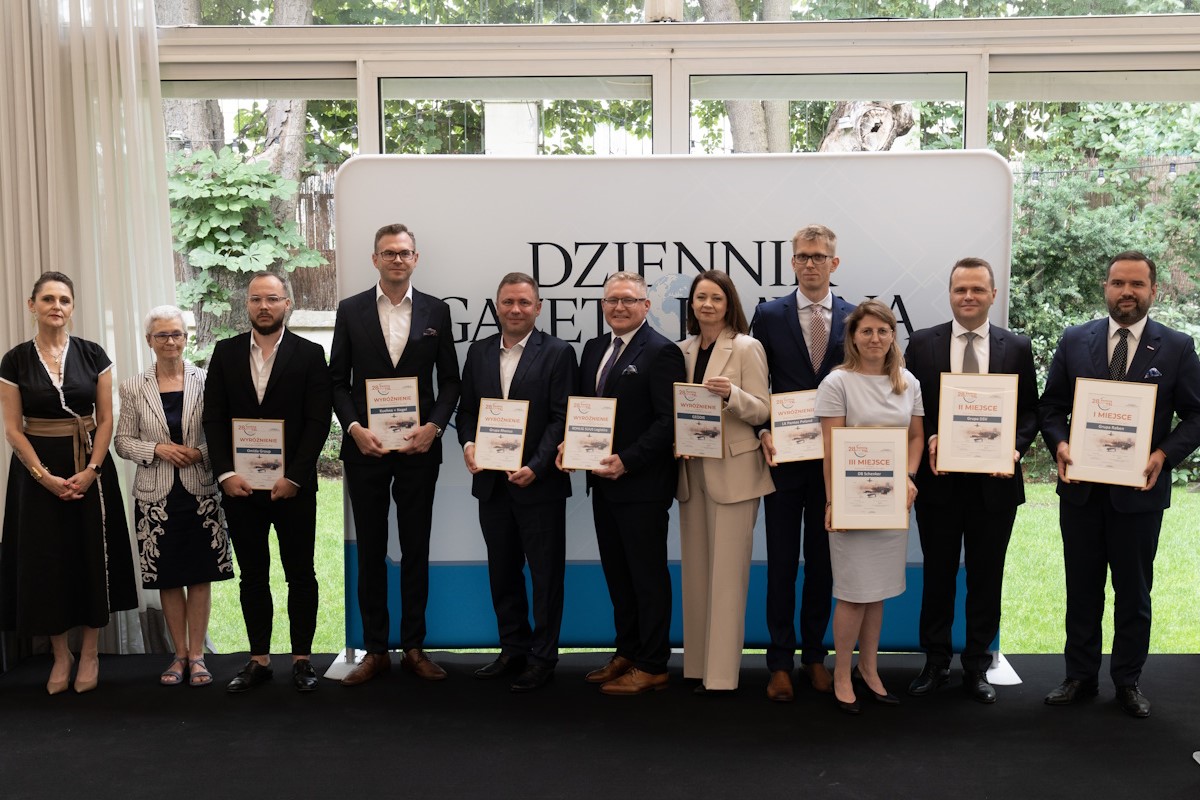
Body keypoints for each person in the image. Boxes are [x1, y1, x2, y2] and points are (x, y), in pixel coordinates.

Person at [1039, 250, 1200, 719]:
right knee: (1081, 588)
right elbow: (1051, 407)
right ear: (1105, 288)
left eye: (1136, 284)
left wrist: (1162, 455)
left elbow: (1196, 414)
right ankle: (1079, 676)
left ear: (1154, 290)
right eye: (1117, 283)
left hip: (1140, 493)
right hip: (1082, 492)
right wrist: (1060, 444)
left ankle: (1128, 681)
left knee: (1133, 592)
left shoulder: (1177, 346)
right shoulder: (1074, 340)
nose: (1126, 292)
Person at [330, 223, 461, 685]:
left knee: (416, 547)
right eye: (389, 253)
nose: (397, 260)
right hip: (365, 449)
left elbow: (451, 382)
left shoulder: (436, 311)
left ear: (415, 258)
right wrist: (354, 429)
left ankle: (414, 647)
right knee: (370, 550)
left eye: (404, 253)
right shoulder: (350, 310)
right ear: (375, 259)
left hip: (417, 450)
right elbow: (337, 382)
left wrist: (434, 427)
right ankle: (375, 650)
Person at [903, 258, 1039, 704]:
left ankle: (978, 666)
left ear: (993, 295)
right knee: (937, 576)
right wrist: (932, 436)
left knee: (986, 576)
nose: (968, 297)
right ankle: (935, 661)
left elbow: (1030, 411)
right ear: (949, 293)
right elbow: (909, 408)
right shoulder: (922, 343)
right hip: (939, 482)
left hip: (994, 485)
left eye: (978, 289)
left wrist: (1013, 448)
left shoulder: (1015, 346)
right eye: (961, 289)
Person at [0, 271, 138, 694]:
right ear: (32, 306)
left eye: (63, 299)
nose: (56, 306)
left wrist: (92, 470)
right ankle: (61, 654)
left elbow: (106, 419)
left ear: (72, 307)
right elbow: (13, 429)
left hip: (89, 467)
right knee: (46, 560)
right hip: (36, 473)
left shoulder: (93, 354)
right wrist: (43, 477)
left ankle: (91, 652)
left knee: (91, 554)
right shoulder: (15, 360)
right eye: (47, 299)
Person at [202, 271, 332, 693]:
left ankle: (302, 660)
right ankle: (258, 660)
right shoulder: (225, 353)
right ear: (247, 305)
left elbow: (317, 421)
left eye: (272, 298)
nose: (264, 306)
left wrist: (295, 476)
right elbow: (213, 418)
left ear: (286, 304)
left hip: (293, 489)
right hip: (241, 488)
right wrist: (225, 473)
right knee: (253, 576)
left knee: (301, 574)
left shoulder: (310, 354)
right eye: (256, 299)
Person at [456, 273, 577, 692]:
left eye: (524, 302)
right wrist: (469, 445)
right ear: (497, 306)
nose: (515, 309)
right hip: (491, 484)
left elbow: (562, 416)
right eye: (508, 302)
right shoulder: (479, 352)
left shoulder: (558, 353)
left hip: (539, 485)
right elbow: (466, 410)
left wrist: (537, 467)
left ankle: (543, 657)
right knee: (502, 571)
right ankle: (513, 649)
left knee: (545, 576)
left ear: (538, 308)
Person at [750, 224, 856, 701]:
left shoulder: (854, 317)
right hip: (785, 458)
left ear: (834, 263)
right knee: (780, 564)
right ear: (792, 262)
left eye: (818, 256)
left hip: (834, 462)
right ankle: (778, 662)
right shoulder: (768, 315)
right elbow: (756, 382)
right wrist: (762, 429)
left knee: (822, 563)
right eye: (802, 256)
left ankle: (815, 656)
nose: (810, 264)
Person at [567, 272, 685, 696]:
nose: (619, 307)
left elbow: (668, 421)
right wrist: (571, 445)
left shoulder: (662, 351)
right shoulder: (594, 348)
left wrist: (628, 461)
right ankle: (628, 652)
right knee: (618, 575)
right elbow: (584, 412)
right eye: (612, 300)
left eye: (629, 300)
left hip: (642, 486)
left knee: (646, 577)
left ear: (646, 305)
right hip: (602, 483)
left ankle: (653, 664)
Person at [115, 305, 233, 687]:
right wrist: (157, 449)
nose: (170, 341)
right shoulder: (133, 387)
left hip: (201, 491)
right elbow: (122, 441)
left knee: (200, 575)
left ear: (186, 338)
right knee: (167, 576)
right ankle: (178, 655)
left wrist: (201, 452)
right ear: (149, 340)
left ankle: (197, 656)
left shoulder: (208, 380)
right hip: (154, 496)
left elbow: (225, 432)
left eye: (177, 334)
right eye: (162, 335)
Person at [815, 299, 923, 714]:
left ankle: (869, 669)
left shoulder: (908, 382)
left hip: (890, 503)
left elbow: (916, 437)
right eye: (867, 331)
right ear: (853, 337)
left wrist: (909, 476)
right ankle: (843, 673)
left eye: (882, 330)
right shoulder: (837, 383)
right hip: (851, 503)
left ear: (893, 336)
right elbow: (830, 450)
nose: (875, 338)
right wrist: (833, 502)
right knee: (852, 593)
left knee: (877, 593)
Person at [676, 270, 774, 694]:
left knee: (728, 579)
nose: (707, 305)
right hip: (691, 471)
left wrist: (732, 394)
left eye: (716, 297)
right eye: (701, 297)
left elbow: (763, 410)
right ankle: (696, 667)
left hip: (735, 472)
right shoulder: (682, 350)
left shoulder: (748, 347)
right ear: (691, 304)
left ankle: (720, 677)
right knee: (697, 576)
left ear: (729, 303)